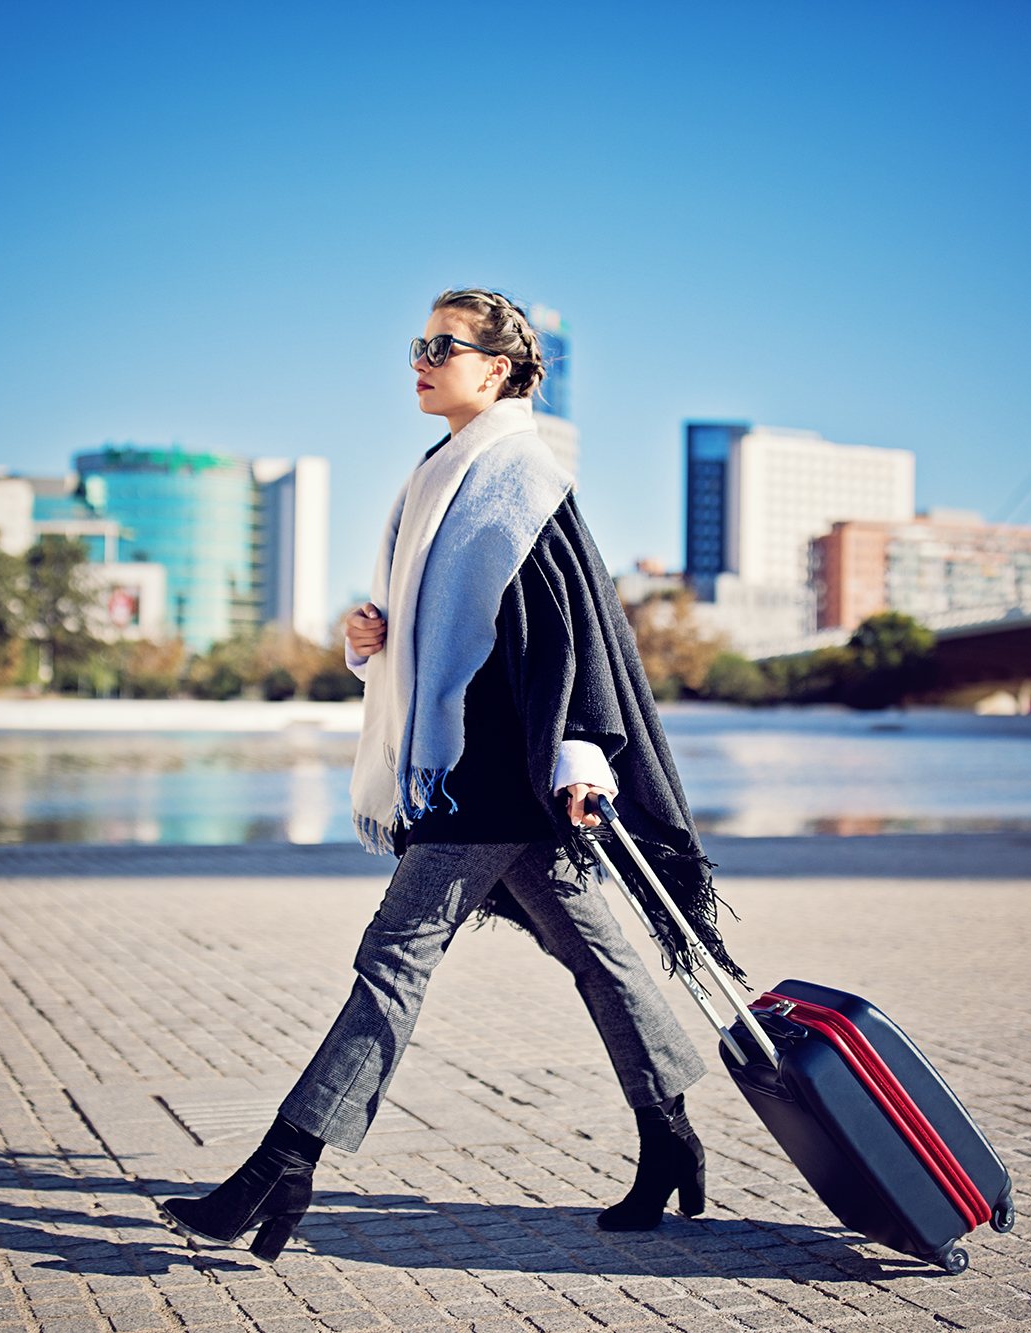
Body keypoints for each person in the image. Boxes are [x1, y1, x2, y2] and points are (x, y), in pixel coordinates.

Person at [160, 288, 742, 1262]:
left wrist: (581, 755)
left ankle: (283, 1163)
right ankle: (670, 1133)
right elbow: (448, 633)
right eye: (418, 344)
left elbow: (571, 633)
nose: (420, 361)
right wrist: (370, 640)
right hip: (469, 767)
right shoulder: (439, 475)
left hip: (492, 773)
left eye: (443, 346)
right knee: (595, 952)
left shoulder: (521, 475)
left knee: (394, 955)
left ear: (498, 368)